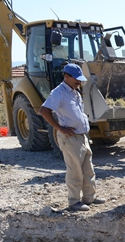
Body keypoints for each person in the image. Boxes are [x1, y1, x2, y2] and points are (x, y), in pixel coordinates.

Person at [39, 63, 106, 212]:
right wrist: (60, 128)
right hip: (70, 137)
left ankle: (89, 197)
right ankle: (74, 201)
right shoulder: (59, 93)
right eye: (76, 79)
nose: (79, 82)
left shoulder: (74, 92)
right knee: (75, 170)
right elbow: (44, 110)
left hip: (82, 136)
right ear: (66, 76)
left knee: (88, 169)